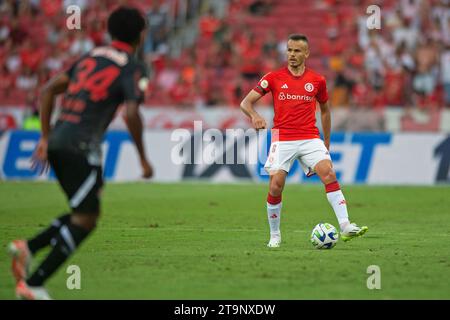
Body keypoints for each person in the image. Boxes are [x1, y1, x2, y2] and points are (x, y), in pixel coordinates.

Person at [8, 6, 153, 299]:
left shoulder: (91, 56)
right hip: (81, 146)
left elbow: (48, 89)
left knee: (84, 210)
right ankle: (33, 284)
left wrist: (46, 138)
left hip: (61, 140)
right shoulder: (132, 66)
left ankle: (29, 248)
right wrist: (142, 157)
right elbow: (132, 113)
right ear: (140, 35)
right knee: (87, 219)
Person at [240, 34, 368, 248]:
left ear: (306, 54)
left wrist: (326, 142)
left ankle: (345, 226)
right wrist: (254, 116)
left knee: (328, 172)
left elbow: (326, 112)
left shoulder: (317, 80)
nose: (292, 54)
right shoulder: (273, 77)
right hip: (282, 138)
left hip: (310, 136)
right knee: (275, 186)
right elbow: (246, 102)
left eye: (297, 51)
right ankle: (275, 235)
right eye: (289, 50)